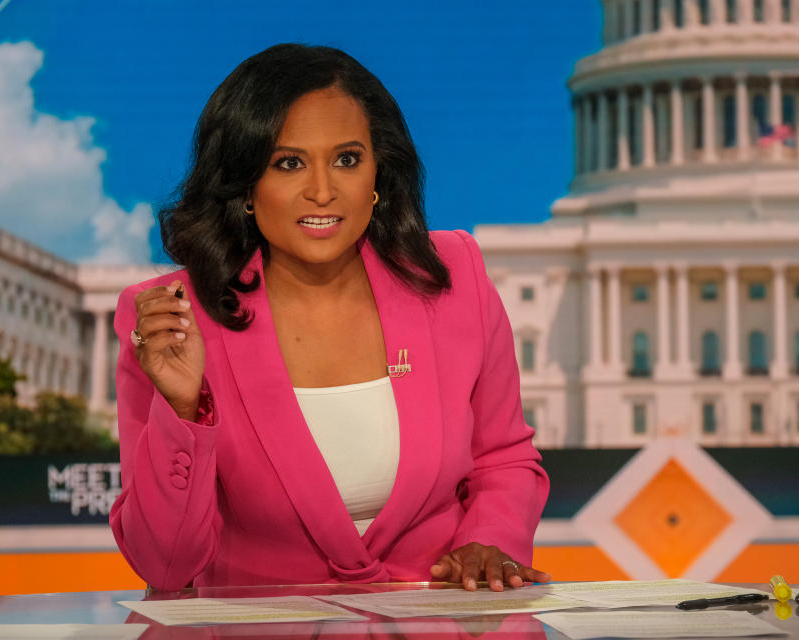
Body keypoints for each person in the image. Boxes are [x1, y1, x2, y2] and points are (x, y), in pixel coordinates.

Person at [109, 43, 550, 592]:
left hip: (438, 620)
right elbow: (164, 566)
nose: (322, 191)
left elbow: (503, 459)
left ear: (377, 175)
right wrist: (182, 409)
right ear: (246, 185)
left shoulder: (453, 275)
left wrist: (492, 541)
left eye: (346, 159)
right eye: (288, 163)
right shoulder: (171, 316)